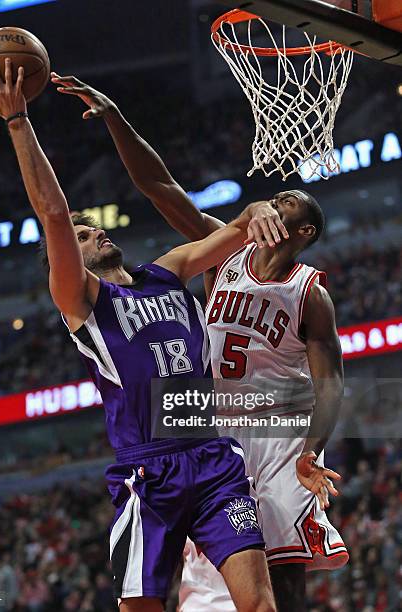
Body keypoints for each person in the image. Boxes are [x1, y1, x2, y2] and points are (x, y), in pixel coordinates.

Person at [0, 58, 277, 612]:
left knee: (259, 602)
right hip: (149, 473)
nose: (94, 235)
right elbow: (53, 212)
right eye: (84, 236)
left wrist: (259, 207)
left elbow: (233, 230)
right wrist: (18, 121)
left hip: (215, 460)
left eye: (94, 231)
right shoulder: (83, 299)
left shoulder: (168, 271)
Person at [49, 74, 348, 612]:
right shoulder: (220, 255)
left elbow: (331, 383)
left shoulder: (310, 294)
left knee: (283, 579)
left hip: (276, 433)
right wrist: (116, 114)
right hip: (210, 432)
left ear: (304, 232)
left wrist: (312, 448)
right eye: (276, 195)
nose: (279, 200)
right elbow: (157, 185)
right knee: (208, 593)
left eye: (293, 202)